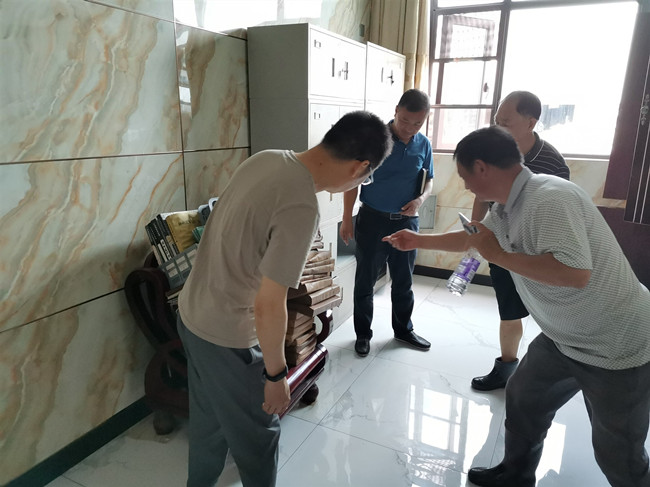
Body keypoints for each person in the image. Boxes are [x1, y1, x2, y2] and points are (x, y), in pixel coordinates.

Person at [383, 125, 650, 487]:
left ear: (481, 167)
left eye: (464, 176)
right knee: (524, 399)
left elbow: (575, 274)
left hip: (616, 343)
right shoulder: (508, 205)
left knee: (617, 451)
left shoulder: (550, 198)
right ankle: (515, 475)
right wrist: (418, 240)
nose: (465, 186)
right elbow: (475, 239)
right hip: (563, 337)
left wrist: (498, 256)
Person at [176, 111, 393, 487]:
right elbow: (269, 302)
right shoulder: (302, 206)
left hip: (192, 314)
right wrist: (276, 375)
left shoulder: (267, 158)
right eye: (366, 177)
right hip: (228, 336)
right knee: (259, 438)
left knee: (209, 423)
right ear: (360, 167)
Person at [470, 91, 570, 391]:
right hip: (500, 246)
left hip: (536, 255)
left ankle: (547, 375)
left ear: (531, 123)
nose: (498, 129)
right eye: (496, 122)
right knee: (509, 310)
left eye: (506, 123)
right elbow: (481, 193)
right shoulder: (493, 152)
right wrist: (475, 230)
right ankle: (506, 368)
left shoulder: (553, 164)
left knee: (547, 314)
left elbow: (559, 217)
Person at [339, 89, 434, 357]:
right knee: (365, 281)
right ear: (396, 111)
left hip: (406, 222)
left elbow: (429, 179)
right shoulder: (373, 140)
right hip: (373, 220)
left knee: (403, 280)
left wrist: (420, 200)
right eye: (405, 121)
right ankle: (362, 335)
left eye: (417, 123)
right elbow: (353, 181)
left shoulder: (423, 144)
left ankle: (403, 330)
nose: (410, 128)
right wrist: (346, 219)